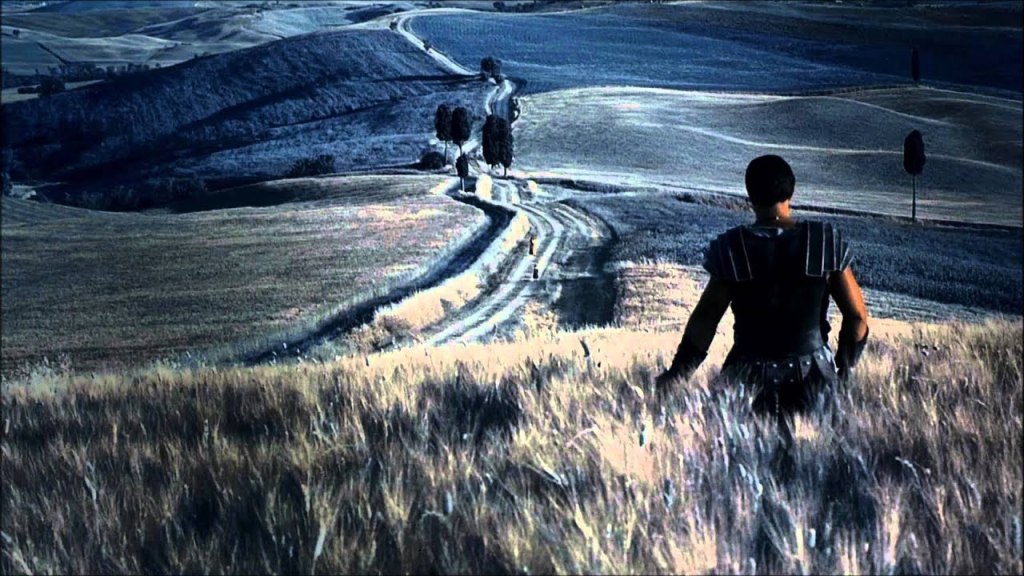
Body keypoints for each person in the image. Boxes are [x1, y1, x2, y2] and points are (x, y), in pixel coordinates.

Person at [655, 155, 870, 417]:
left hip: (745, 383)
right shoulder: (823, 241)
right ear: (791, 190)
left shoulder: (733, 248)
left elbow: (707, 317)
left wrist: (678, 373)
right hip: (815, 380)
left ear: (750, 195)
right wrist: (843, 371)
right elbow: (857, 316)